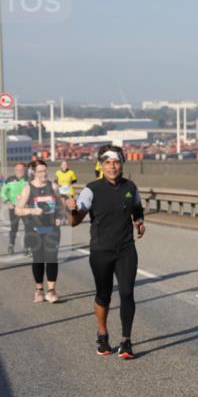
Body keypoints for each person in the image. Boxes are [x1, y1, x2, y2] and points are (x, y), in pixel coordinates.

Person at [67, 145, 145, 359]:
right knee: (104, 295)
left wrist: (139, 221)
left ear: (121, 164)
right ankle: (102, 334)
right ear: (101, 166)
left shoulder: (131, 186)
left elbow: (137, 207)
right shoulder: (91, 190)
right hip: (101, 250)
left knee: (127, 293)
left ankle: (126, 342)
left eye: (116, 162)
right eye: (108, 163)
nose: (112, 166)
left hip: (126, 248)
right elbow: (74, 222)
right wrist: (71, 208)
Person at [16, 161, 62, 303]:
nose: (44, 174)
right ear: (34, 172)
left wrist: (59, 216)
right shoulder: (28, 188)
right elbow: (18, 210)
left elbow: (60, 204)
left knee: (52, 257)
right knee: (39, 259)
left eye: (45, 171)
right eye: (40, 171)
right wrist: (32, 210)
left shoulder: (53, 186)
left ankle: (51, 290)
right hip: (34, 229)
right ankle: (39, 290)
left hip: (52, 229)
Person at [1, 162, 29, 254]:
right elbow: (2, 193)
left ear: (24, 170)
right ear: (15, 170)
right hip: (14, 207)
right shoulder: (10, 179)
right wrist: (8, 202)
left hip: (26, 207)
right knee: (14, 228)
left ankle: (26, 247)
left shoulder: (29, 179)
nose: (19, 171)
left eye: (21, 169)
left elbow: (34, 193)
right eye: (17, 169)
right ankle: (11, 245)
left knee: (28, 228)